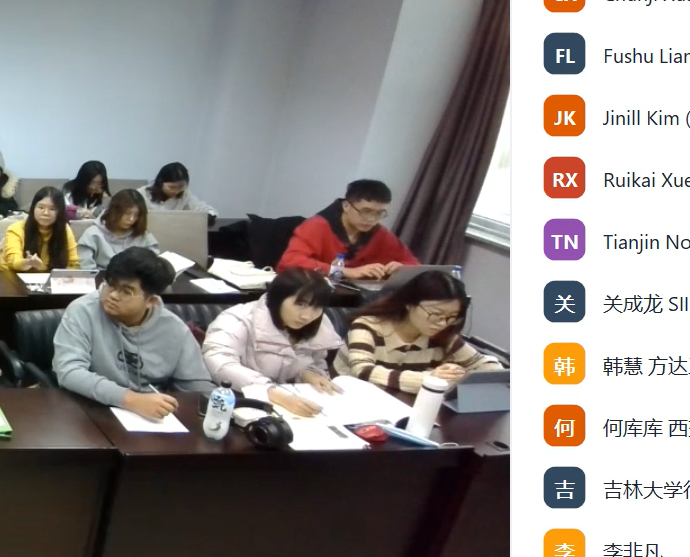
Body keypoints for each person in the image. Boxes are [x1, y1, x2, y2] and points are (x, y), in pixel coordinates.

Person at [53, 248, 215, 420]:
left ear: (150, 301)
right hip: (92, 409)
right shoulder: (82, 311)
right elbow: (69, 371)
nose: (113, 295)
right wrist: (131, 400)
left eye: (126, 291)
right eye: (110, 284)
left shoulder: (174, 329)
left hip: (152, 416)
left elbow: (196, 387)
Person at [200, 268, 345, 417]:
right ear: (278, 298)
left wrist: (309, 373)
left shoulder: (319, 325)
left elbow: (317, 361)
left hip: (293, 405)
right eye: (300, 304)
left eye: (317, 307)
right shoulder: (237, 319)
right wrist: (271, 392)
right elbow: (219, 363)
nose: (307, 316)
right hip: (235, 404)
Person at [335, 269, 499, 394]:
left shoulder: (443, 335)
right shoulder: (367, 326)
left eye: (451, 317)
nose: (442, 323)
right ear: (409, 303)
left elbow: (483, 364)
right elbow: (363, 370)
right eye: (435, 314)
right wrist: (430, 379)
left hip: (402, 404)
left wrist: (460, 375)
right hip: (350, 398)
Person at [278, 179, 420, 277]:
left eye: (379, 213)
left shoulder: (379, 233)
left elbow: (414, 264)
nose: (371, 219)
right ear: (346, 206)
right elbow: (289, 262)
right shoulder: (317, 226)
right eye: (365, 211)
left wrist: (401, 268)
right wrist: (343, 272)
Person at [1, 186, 80, 273]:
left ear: (60, 212)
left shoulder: (65, 229)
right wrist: (27, 263)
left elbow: (73, 263)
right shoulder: (16, 228)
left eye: (52, 209)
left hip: (50, 278)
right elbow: (13, 260)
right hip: (12, 275)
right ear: (33, 208)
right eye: (41, 207)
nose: (46, 213)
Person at [76, 189, 159, 271]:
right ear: (114, 211)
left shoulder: (144, 236)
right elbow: (87, 271)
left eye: (136, 215)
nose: (131, 219)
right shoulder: (93, 235)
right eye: (127, 213)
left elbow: (154, 267)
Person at [148, 162, 218, 216]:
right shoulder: (144, 195)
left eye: (181, 187)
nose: (176, 191)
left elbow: (204, 208)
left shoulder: (185, 194)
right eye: (172, 187)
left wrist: (209, 215)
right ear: (160, 182)